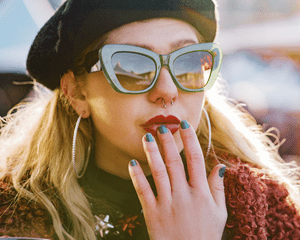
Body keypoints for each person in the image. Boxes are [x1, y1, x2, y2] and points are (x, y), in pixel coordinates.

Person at [0, 0, 300, 239]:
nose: (167, 91)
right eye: (132, 67)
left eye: (188, 62)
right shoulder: (15, 215)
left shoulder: (265, 208)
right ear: (76, 92)